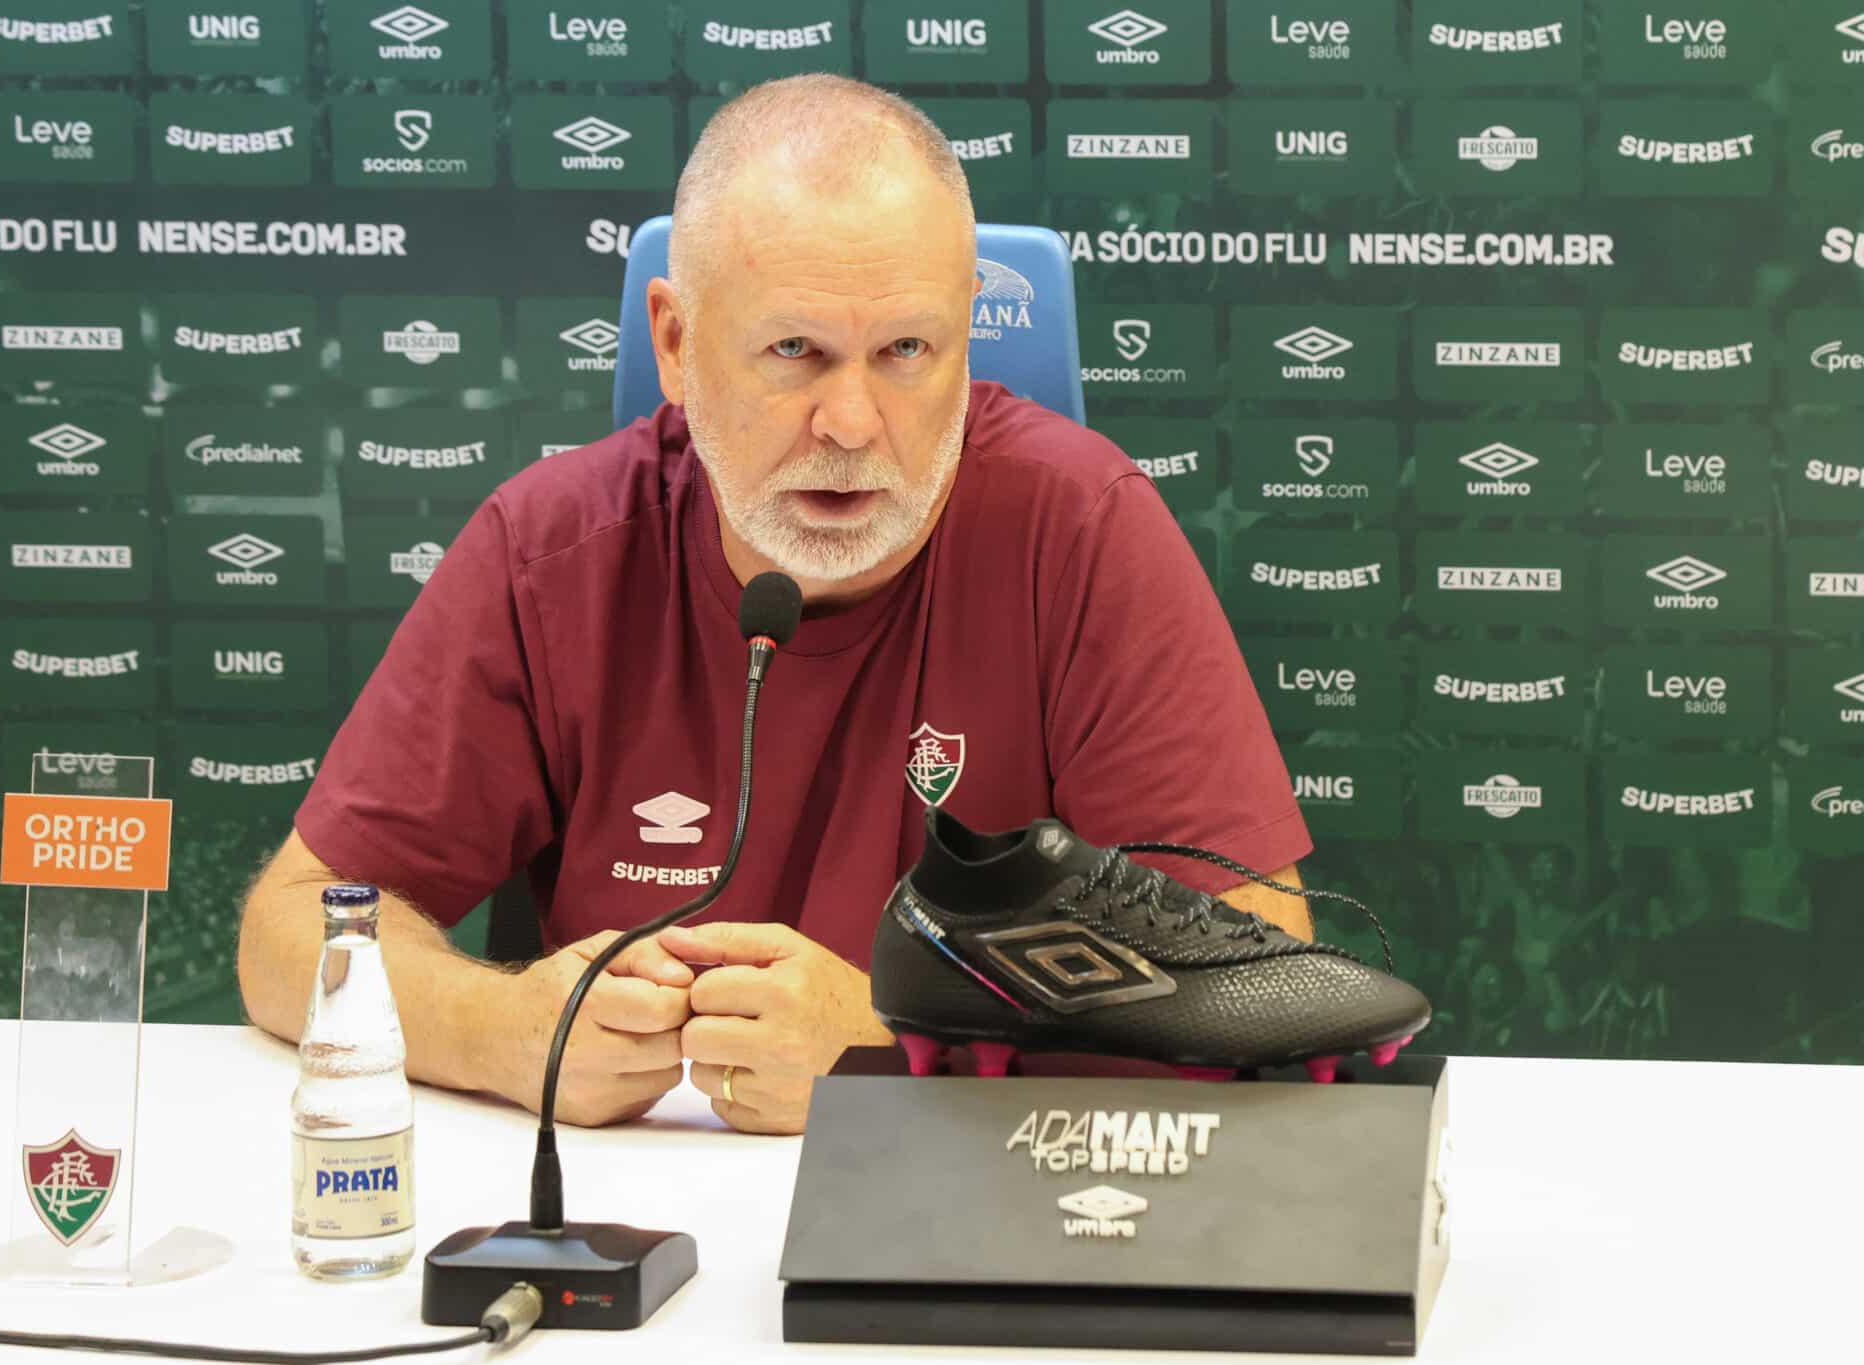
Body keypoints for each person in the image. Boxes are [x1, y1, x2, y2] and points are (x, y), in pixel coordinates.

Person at [237, 74, 1314, 1136]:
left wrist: (905, 1046)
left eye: (905, 351)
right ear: (674, 342)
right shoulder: (551, 550)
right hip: (641, 1193)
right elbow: (289, 937)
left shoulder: (1080, 530)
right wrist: (504, 1029)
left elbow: (1263, 991)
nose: (851, 422)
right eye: (794, 350)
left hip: (967, 1196)